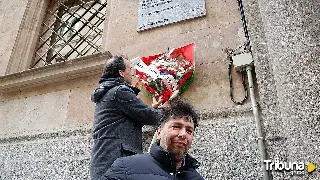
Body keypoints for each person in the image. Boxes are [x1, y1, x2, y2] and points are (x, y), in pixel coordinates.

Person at [90, 55, 165, 180]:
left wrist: (153, 109)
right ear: (121, 73)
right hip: (117, 165)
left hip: (106, 164)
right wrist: (167, 108)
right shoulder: (119, 92)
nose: (133, 73)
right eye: (130, 69)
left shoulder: (107, 92)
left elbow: (129, 119)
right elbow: (150, 117)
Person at [102, 98, 205, 180]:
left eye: (189, 131)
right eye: (176, 127)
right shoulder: (125, 168)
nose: (183, 134)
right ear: (159, 132)